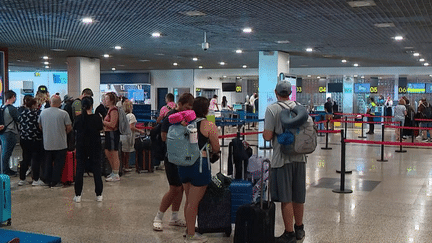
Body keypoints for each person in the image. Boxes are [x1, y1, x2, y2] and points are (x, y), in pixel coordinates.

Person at [263, 81, 306, 243]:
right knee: (298, 196)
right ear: (290, 92)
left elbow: (267, 136)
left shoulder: (272, 109)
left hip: (282, 159)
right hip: (300, 157)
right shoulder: (300, 107)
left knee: (286, 197)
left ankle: (289, 233)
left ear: (276, 92)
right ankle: (299, 228)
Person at [153, 93, 194, 232]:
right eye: (186, 107)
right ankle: (158, 217)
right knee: (174, 188)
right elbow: (164, 137)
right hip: (171, 157)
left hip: (183, 157)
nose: (187, 110)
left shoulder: (188, 117)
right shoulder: (170, 117)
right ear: (180, 104)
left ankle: (174, 217)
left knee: (181, 188)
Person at [182, 97, 220, 242]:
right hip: (199, 165)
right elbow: (216, 148)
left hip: (184, 164)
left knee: (189, 200)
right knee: (194, 202)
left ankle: (189, 229)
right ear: (206, 110)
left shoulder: (185, 123)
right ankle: (191, 235)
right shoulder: (209, 125)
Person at [73, 96, 104, 203]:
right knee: (97, 170)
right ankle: (99, 194)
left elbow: (75, 129)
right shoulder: (97, 118)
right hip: (95, 146)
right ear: (92, 105)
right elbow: (101, 128)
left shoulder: (79, 119)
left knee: (79, 170)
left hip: (81, 146)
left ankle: (78, 195)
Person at [38, 95, 72, 187]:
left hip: (47, 143)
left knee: (47, 163)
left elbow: (40, 127)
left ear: (50, 102)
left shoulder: (43, 113)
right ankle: (56, 181)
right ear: (60, 103)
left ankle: (47, 180)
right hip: (61, 143)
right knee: (58, 163)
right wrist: (63, 132)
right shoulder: (64, 113)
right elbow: (69, 127)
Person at [17, 97, 44, 186]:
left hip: (24, 139)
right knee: (35, 159)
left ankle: (22, 179)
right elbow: (40, 126)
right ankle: (35, 179)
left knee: (25, 158)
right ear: (33, 105)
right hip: (35, 139)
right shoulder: (38, 113)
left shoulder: (22, 113)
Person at [120, 99, 145, 172]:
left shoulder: (122, 115)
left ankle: (122, 165)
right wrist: (140, 130)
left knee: (122, 152)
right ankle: (126, 165)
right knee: (127, 152)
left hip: (122, 135)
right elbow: (131, 127)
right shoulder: (131, 116)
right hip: (128, 136)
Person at [0, 90, 20, 176]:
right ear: (13, 97)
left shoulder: (2, 107)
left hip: (3, 132)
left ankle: (5, 169)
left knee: (4, 152)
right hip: (10, 132)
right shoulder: (12, 109)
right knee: (6, 153)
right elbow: (18, 119)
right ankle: (5, 171)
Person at [103, 92, 121, 182]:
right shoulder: (110, 110)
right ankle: (113, 171)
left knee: (114, 153)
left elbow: (113, 124)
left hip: (112, 134)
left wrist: (103, 122)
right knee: (107, 151)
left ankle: (116, 173)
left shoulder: (113, 110)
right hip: (108, 134)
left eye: (106, 99)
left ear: (111, 100)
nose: (105, 101)